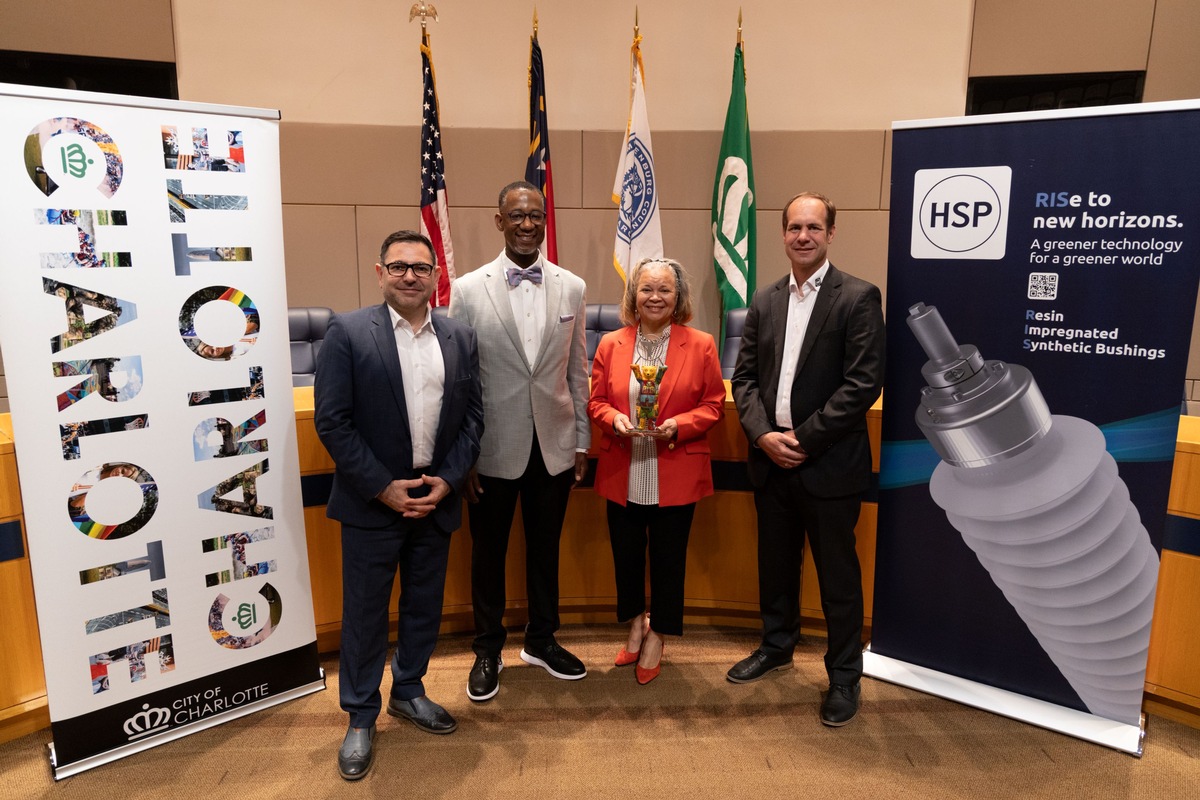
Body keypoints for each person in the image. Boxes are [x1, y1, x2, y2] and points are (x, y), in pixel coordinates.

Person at [314, 230, 483, 780]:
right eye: (399, 266)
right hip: (373, 502)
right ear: (380, 272)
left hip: (434, 498)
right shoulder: (347, 332)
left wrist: (449, 481)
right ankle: (360, 716)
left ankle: (408, 690)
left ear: (436, 275)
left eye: (421, 267)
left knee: (423, 605)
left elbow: (473, 418)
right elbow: (332, 421)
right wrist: (382, 486)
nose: (410, 275)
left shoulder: (459, 336)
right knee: (365, 614)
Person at [728, 192, 885, 727]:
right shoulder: (765, 299)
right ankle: (776, 646)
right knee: (776, 566)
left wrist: (803, 438)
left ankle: (843, 676)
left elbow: (862, 384)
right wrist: (763, 436)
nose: (803, 236)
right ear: (783, 233)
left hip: (829, 463)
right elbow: (744, 379)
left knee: (838, 579)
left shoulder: (858, 297)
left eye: (814, 227)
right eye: (794, 227)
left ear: (831, 233)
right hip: (771, 461)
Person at [448, 180, 591, 702]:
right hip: (490, 448)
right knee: (488, 554)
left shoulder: (572, 286)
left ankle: (542, 640)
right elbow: (458, 378)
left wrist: (581, 441)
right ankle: (488, 649)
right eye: (516, 216)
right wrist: (462, 454)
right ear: (499, 221)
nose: (527, 224)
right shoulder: (467, 289)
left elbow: (577, 370)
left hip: (554, 445)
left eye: (535, 215)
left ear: (544, 220)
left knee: (545, 549)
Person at [587, 258, 725, 685]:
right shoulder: (611, 343)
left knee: (668, 559)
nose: (655, 297)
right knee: (626, 556)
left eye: (665, 289)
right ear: (634, 295)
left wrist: (678, 425)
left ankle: (658, 635)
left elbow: (714, 404)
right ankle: (635, 624)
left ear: (678, 296)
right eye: (647, 288)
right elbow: (596, 401)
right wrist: (613, 419)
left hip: (675, 468)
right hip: (623, 468)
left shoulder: (700, 344)